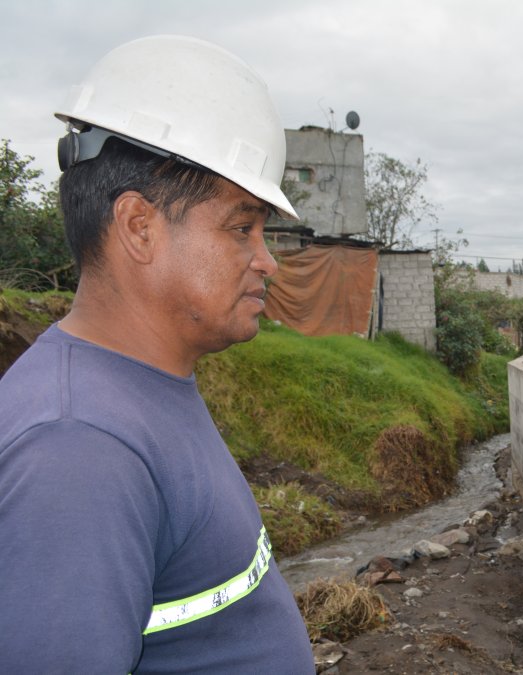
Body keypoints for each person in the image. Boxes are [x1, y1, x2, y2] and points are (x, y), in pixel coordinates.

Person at [0, 36, 313, 672]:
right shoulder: (77, 449)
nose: (267, 261)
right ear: (139, 227)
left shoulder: (144, 387)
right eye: (242, 228)